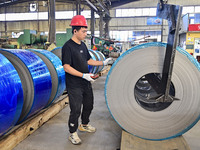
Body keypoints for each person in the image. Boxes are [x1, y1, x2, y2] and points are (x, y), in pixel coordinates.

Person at [62, 15, 112, 145]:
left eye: (86, 31)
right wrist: (83, 75)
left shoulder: (83, 45)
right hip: (74, 84)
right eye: (83, 31)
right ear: (75, 31)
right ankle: (72, 133)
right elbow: (66, 67)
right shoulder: (67, 47)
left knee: (89, 105)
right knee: (76, 109)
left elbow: (88, 60)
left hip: (85, 82)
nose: (85, 34)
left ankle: (84, 124)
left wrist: (103, 62)